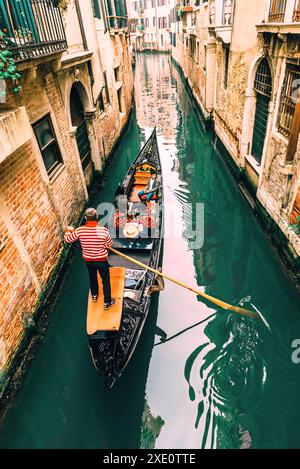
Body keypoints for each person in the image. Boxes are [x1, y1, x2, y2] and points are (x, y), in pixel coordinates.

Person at [64, 207, 115, 309]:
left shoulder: (79, 231)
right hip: (101, 261)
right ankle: (107, 302)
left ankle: (94, 296)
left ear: (86, 218)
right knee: (105, 281)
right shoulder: (104, 231)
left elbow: (68, 239)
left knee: (92, 277)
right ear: (96, 217)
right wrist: (103, 243)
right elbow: (109, 244)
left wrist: (68, 231)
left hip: (89, 261)